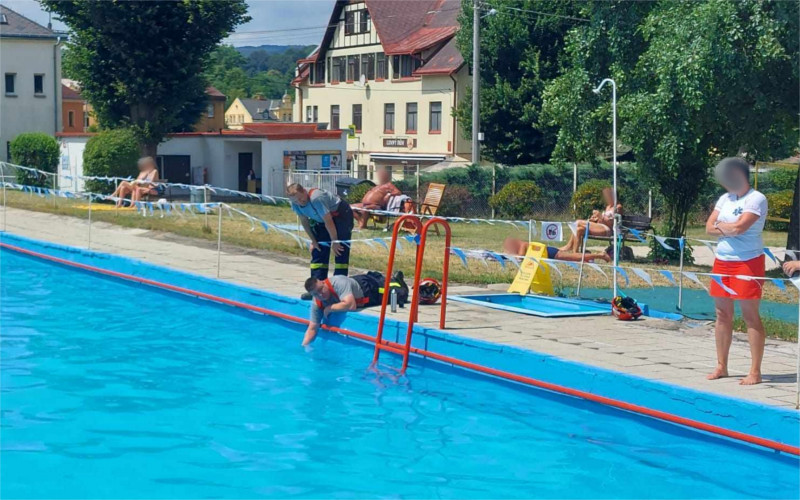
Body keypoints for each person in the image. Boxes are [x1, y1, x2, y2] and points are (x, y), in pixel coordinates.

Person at [705, 156, 768, 385]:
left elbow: (741, 227)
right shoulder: (725, 198)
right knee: (722, 314)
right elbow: (708, 228)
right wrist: (726, 228)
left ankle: (755, 371)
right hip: (722, 260)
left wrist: (722, 227)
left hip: (748, 261)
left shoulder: (757, 198)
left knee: (750, 315)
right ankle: (722, 366)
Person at [302, 271, 408, 345]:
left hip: (367, 289)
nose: (321, 295)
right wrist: (304, 348)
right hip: (355, 290)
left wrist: (330, 308)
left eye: (321, 289)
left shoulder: (338, 283)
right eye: (316, 294)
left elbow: (351, 305)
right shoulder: (317, 301)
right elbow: (312, 328)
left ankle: (396, 280)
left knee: (399, 294)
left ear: (323, 282)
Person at [288, 183, 354, 294]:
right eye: (296, 201)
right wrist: (313, 241)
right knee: (318, 250)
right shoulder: (295, 204)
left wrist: (335, 241)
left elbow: (329, 221)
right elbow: (304, 222)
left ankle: (338, 289)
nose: (300, 202)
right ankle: (317, 289)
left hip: (341, 214)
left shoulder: (316, 198)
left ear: (304, 191)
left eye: (300, 198)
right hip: (322, 220)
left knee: (340, 251)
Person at [561, 187, 622, 253]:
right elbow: (602, 221)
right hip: (600, 226)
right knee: (579, 229)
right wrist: (595, 219)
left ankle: (569, 246)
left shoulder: (618, 207)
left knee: (578, 222)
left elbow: (612, 223)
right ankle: (575, 252)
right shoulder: (608, 206)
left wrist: (600, 216)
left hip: (608, 230)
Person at [503, 237, 611, 262]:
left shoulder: (523, 245)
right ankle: (591, 257)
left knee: (575, 257)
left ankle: (600, 255)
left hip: (550, 252)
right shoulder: (520, 246)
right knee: (575, 258)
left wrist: (509, 255)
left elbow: (519, 259)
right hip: (546, 252)